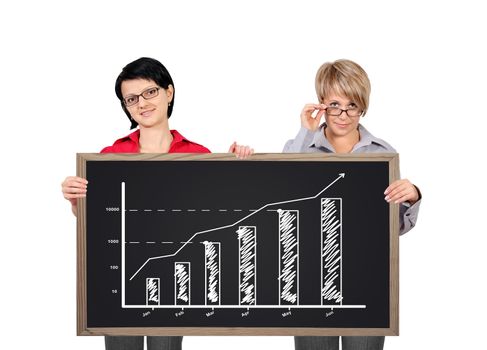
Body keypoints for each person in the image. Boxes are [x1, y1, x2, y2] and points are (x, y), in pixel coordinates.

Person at [62, 57, 253, 350]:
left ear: (169, 92)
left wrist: (234, 166)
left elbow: (216, 216)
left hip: (173, 276)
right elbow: (98, 222)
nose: (142, 103)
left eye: (150, 92)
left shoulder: (198, 155)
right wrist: (76, 200)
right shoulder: (110, 156)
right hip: (120, 278)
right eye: (131, 99)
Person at [283, 59, 421, 350]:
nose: (343, 115)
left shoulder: (383, 154)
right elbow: (285, 198)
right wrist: (305, 133)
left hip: (365, 282)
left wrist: (411, 197)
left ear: (363, 106)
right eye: (334, 104)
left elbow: (391, 229)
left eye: (352, 105)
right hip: (311, 282)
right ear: (321, 103)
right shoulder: (299, 146)